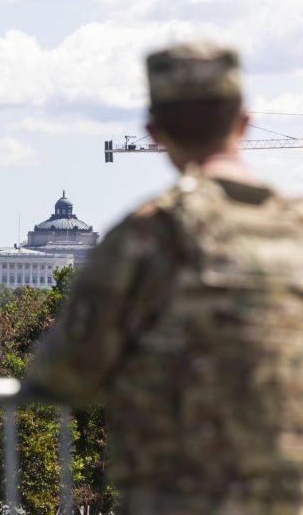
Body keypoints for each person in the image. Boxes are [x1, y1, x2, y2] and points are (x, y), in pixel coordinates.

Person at [23, 42, 303, 514]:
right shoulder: (296, 227)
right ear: (243, 122)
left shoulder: (150, 235)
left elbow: (65, 374)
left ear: (154, 131)